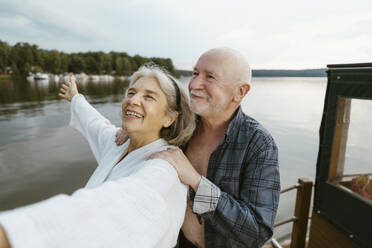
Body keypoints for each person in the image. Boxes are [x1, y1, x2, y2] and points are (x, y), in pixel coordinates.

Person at [0, 64, 196, 248]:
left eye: (149, 97)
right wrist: (75, 97)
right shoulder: (119, 143)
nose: (134, 101)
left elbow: (118, 207)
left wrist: (12, 235)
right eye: (131, 92)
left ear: (170, 117)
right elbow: (93, 121)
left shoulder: (164, 169)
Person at [116, 48, 280, 247]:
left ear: (240, 92)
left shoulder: (258, 144)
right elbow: (152, 124)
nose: (193, 84)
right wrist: (135, 129)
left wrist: (196, 181)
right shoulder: (182, 124)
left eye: (210, 77)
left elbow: (257, 231)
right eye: (195, 73)